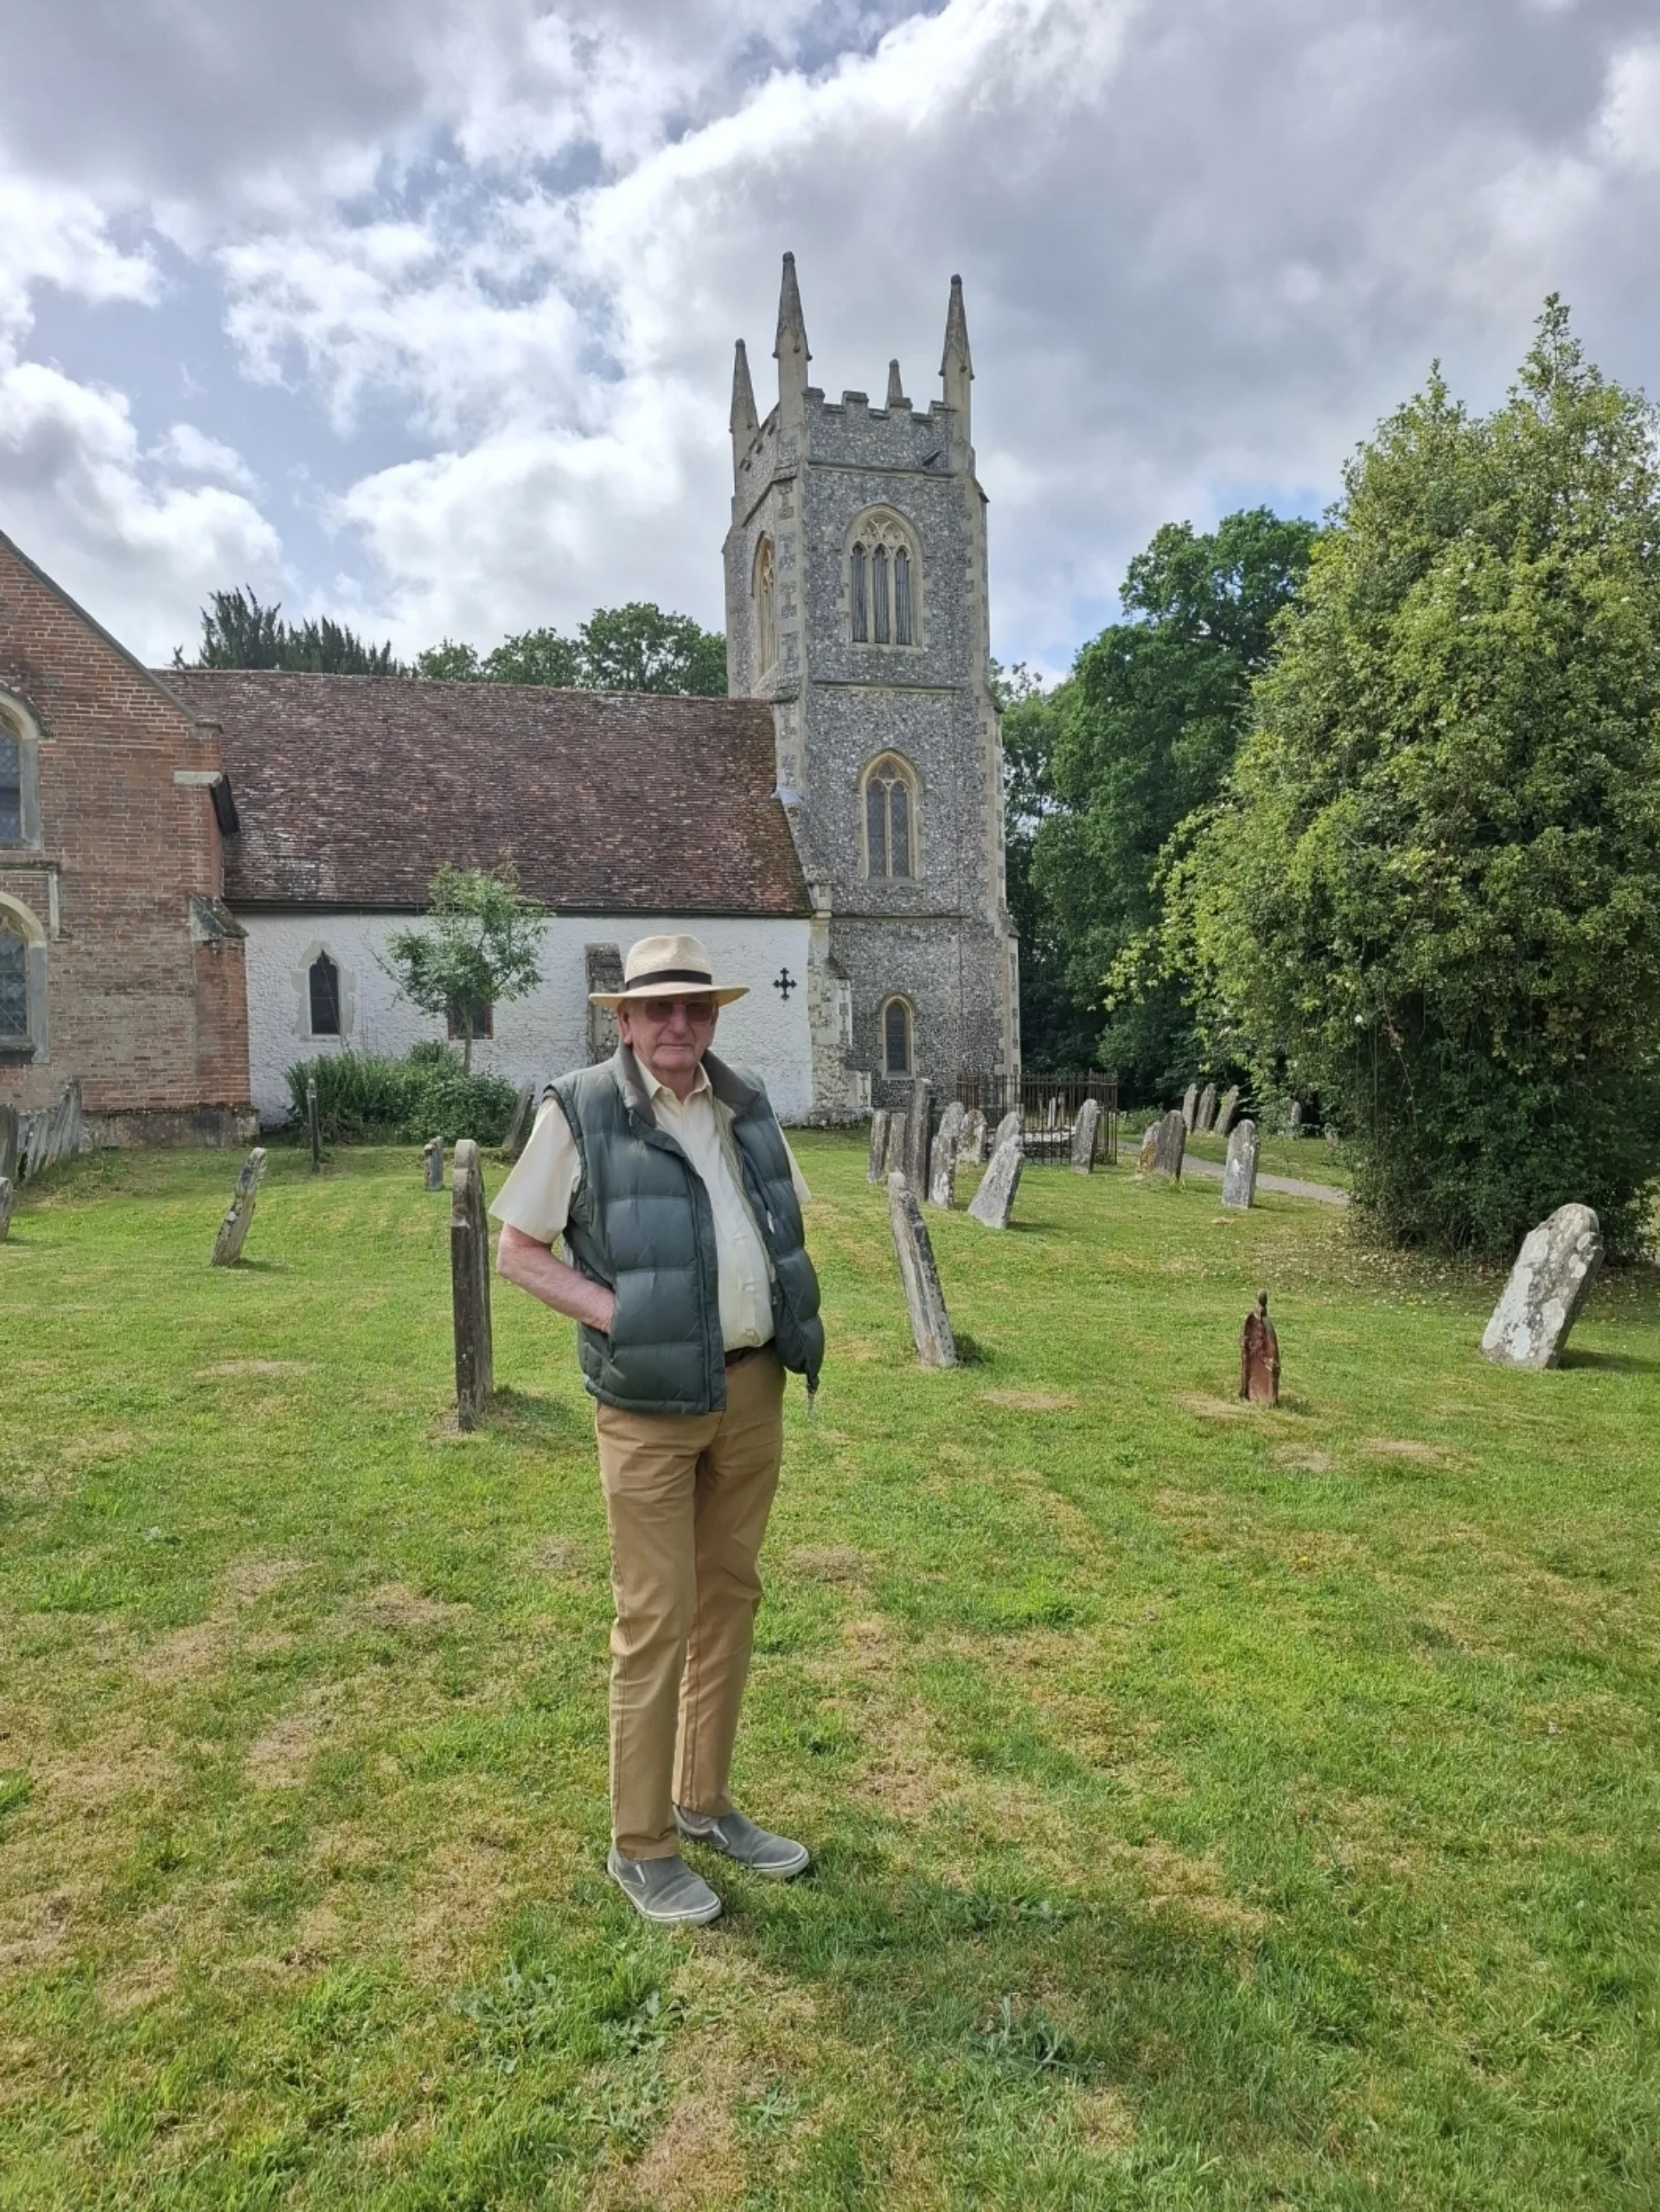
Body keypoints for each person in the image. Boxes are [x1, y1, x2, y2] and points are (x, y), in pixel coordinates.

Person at [491, 934, 825, 1926]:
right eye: (658, 1010)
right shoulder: (581, 1108)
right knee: (656, 1617)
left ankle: (706, 1801)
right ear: (624, 1020)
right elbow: (518, 1251)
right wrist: (619, 1314)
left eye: (697, 1008)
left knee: (730, 1596)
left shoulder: (748, 1101)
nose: (679, 1025)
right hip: (645, 1407)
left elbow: (782, 1215)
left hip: (751, 1390)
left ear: (713, 1018)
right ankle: (640, 1846)